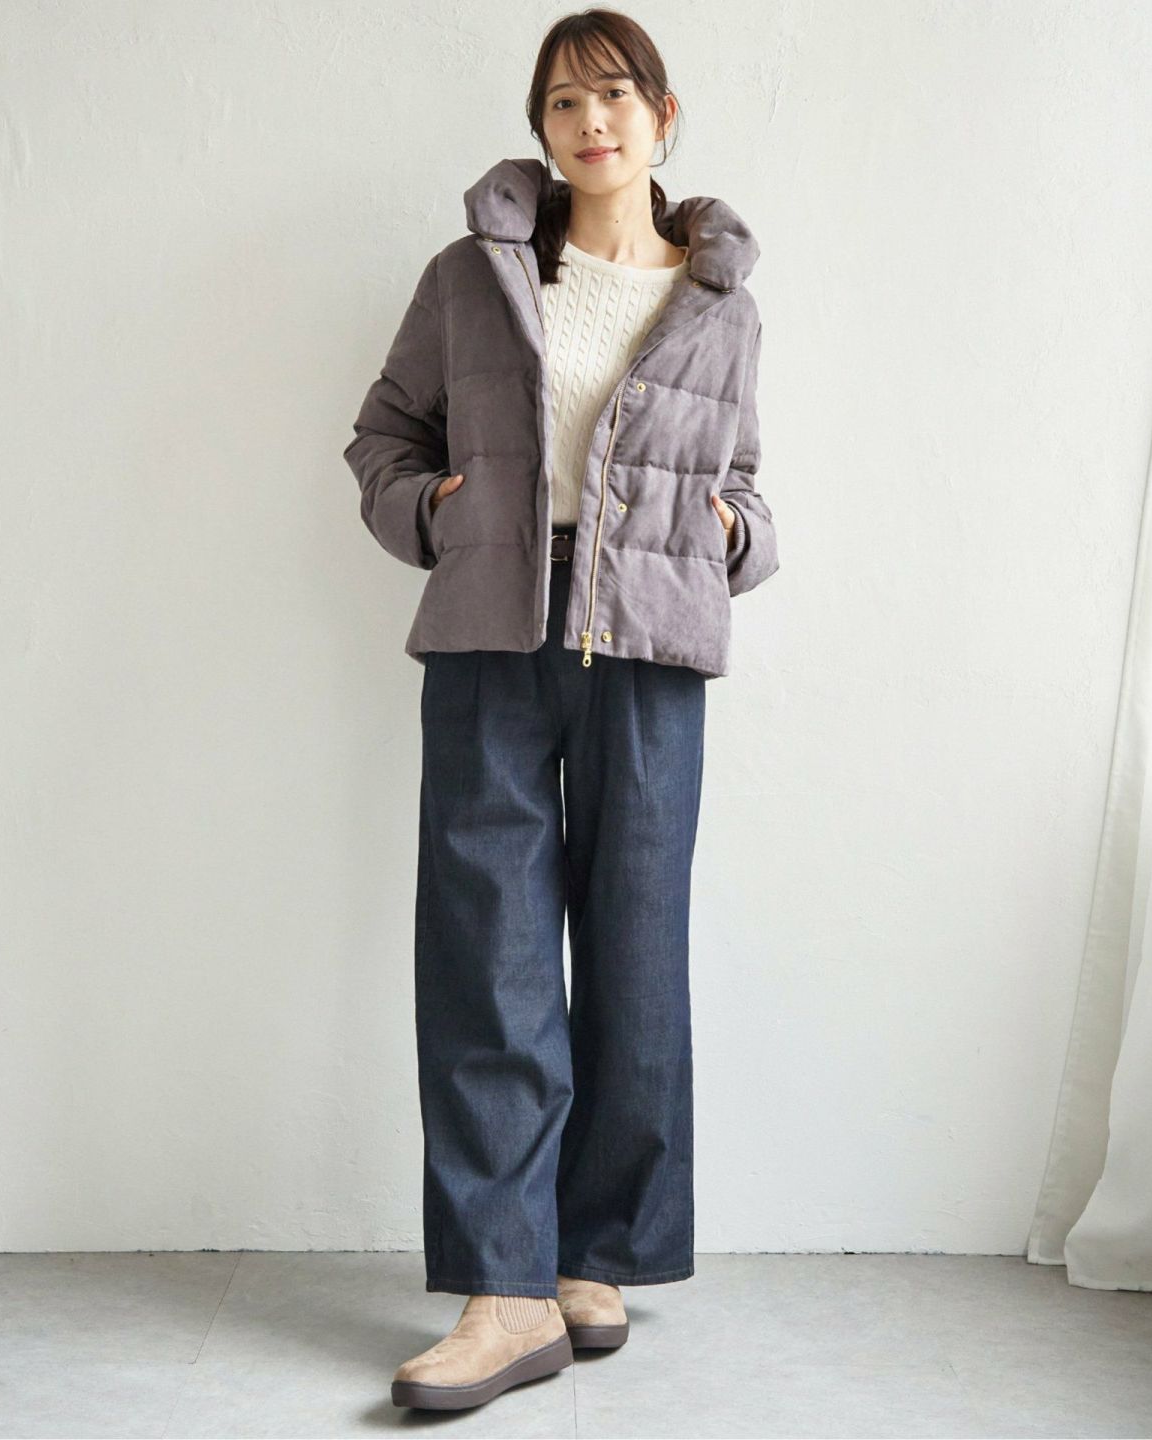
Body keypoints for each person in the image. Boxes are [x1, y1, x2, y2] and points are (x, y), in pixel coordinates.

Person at [343, 8, 780, 1413]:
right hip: (495, 628)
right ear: (542, 129)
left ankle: (595, 1252)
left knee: (637, 955)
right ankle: (505, 1288)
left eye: (615, 96)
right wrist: (432, 513)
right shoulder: (471, 278)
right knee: (491, 954)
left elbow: (746, 487)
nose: (591, 122)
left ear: (664, 116)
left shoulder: (722, 305)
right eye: (563, 103)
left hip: (647, 641)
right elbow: (383, 434)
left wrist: (734, 536)